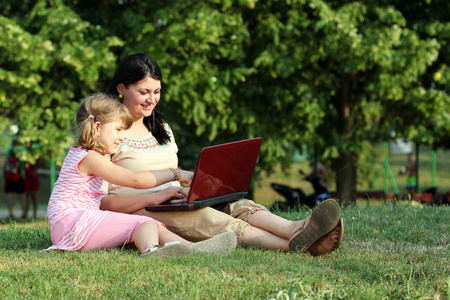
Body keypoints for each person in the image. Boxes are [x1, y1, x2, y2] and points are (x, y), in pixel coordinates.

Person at [101, 53, 343, 256]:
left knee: (235, 202)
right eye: (144, 92)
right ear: (121, 88)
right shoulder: (106, 134)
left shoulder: (160, 127)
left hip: (175, 200)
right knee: (208, 217)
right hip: (141, 210)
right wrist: (154, 198)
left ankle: (296, 227)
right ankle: (297, 246)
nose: (152, 99)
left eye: (157, 91)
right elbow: (102, 202)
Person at [41, 93, 237, 258]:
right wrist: (176, 173)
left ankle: (196, 249)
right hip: (71, 224)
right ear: (98, 127)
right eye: (118, 130)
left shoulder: (87, 155)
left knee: (153, 225)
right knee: (143, 223)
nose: (121, 137)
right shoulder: (91, 158)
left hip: (72, 223)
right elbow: (135, 180)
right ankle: (152, 251)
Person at [3, 142, 26, 219]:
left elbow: (5, 165)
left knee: (10, 196)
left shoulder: (10, 152)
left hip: (11, 177)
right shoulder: (22, 153)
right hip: (18, 176)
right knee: (22, 196)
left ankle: (11, 214)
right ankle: (24, 214)